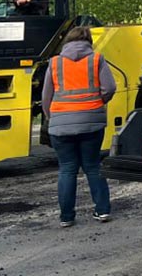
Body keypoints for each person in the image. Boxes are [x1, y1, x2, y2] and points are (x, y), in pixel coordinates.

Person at [42, 26, 116, 227]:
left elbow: (46, 97)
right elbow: (110, 88)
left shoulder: (55, 62)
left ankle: (66, 217)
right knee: (92, 166)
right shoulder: (96, 59)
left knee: (67, 169)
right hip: (92, 122)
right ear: (88, 41)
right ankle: (102, 211)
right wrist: (97, 102)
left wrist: (52, 117)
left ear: (67, 41)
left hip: (60, 124)